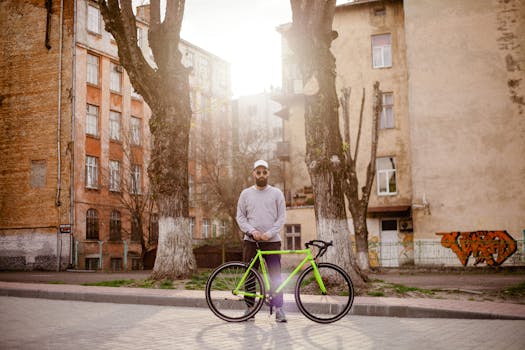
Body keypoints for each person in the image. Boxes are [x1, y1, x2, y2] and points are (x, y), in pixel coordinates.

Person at [236, 159, 287, 322]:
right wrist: (252, 232)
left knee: (276, 276)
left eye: (264, 172)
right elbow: (240, 217)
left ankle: (279, 309)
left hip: (272, 242)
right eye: (258, 172)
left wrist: (270, 233)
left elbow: (281, 218)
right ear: (254, 174)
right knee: (250, 275)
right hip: (252, 242)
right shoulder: (245, 194)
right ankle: (250, 309)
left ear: (268, 173)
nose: (261, 175)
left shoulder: (277, 193)